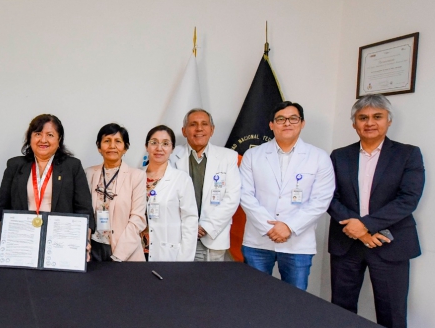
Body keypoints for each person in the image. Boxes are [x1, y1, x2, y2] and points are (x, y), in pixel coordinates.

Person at [328, 94, 424, 328]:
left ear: (388, 121)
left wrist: (366, 225)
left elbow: (408, 199)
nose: (369, 123)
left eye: (377, 117)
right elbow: (329, 196)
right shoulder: (339, 156)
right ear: (354, 124)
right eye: (363, 118)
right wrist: (357, 229)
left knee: (392, 312)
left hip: (391, 243)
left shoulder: (408, 154)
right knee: (341, 310)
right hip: (346, 242)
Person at [239, 101, 335, 290]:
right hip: (258, 240)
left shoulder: (319, 157)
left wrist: (289, 227)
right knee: (254, 298)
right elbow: (244, 194)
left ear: (302, 123)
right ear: (271, 125)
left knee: (295, 302)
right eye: (281, 119)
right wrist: (270, 228)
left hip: (297, 242)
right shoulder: (253, 155)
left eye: (293, 118)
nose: (287, 123)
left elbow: (321, 200)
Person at [0, 114, 94, 259]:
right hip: (22, 243)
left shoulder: (72, 166)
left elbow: (84, 210)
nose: (43, 140)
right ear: (30, 138)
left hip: (61, 243)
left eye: (50, 135)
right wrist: (2, 239)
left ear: (59, 140)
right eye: (38, 134)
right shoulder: (14, 165)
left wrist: (84, 242)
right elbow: (2, 207)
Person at [172, 109, 241, 261]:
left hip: (213, 236)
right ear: (184, 131)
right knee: (179, 282)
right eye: (193, 124)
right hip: (179, 236)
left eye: (204, 124)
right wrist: (189, 227)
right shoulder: (171, 156)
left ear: (212, 130)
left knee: (210, 283)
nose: (199, 129)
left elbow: (232, 197)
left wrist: (205, 227)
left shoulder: (228, 157)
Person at [85, 123, 146, 261]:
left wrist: (118, 255)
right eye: (107, 141)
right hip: (93, 248)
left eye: (118, 141)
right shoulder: (88, 173)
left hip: (124, 249)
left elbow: (138, 219)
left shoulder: (136, 176)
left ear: (125, 148)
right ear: (99, 147)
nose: (112, 146)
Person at [141, 125, 198, 261]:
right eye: (154, 143)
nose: (159, 148)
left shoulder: (181, 179)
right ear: (146, 146)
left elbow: (190, 220)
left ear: (172, 149)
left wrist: (184, 259)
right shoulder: (136, 176)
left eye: (165, 144)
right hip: (137, 252)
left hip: (168, 253)